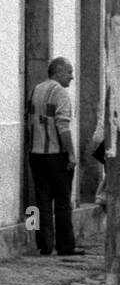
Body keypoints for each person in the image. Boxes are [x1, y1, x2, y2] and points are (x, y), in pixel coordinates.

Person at [26, 56, 81, 256]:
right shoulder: (60, 93)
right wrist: (71, 153)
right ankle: (66, 245)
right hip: (56, 154)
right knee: (63, 201)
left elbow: (29, 121)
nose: (72, 77)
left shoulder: (35, 90)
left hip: (36, 154)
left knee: (41, 200)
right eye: (69, 72)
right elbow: (63, 126)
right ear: (58, 71)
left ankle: (44, 244)